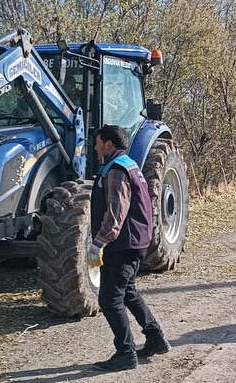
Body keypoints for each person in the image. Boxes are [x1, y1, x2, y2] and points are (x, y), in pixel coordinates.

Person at [88, 125, 171, 372]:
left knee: (109, 299)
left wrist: (99, 242)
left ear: (109, 145)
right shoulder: (130, 165)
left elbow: (116, 212)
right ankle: (156, 339)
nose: (95, 147)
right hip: (135, 241)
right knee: (128, 292)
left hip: (122, 244)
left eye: (98, 142)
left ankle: (125, 353)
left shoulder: (116, 170)